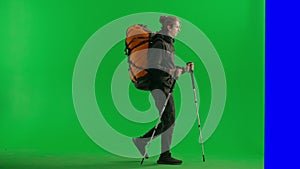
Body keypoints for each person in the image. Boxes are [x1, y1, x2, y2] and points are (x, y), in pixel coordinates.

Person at [132, 15, 194, 165]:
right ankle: (162, 154)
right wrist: (173, 72)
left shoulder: (168, 43)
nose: (179, 29)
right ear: (169, 27)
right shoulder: (160, 43)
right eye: (177, 27)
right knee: (169, 120)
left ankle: (143, 142)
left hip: (165, 85)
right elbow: (154, 67)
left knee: (169, 120)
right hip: (159, 86)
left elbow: (168, 67)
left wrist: (184, 69)